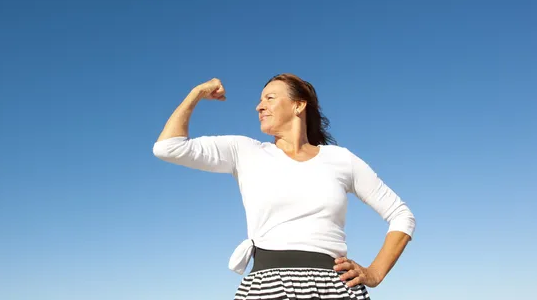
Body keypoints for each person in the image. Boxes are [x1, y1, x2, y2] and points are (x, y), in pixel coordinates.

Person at [153, 73, 416, 300]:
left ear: (298, 105)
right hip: (268, 286)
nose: (259, 106)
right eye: (259, 100)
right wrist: (197, 93)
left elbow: (401, 215)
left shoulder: (341, 160)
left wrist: (375, 272)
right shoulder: (245, 151)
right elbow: (168, 148)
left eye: (269, 98)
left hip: (336, 287)